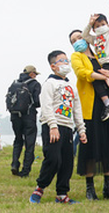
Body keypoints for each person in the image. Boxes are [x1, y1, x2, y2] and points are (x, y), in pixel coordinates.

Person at [70, 28, 109, 201]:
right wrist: (105, 78)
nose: (78, 40)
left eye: (80, 37)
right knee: (90, 147)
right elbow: (83, 74)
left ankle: (108, 187)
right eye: (74, 40)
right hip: (90, 106)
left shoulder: (101, 55)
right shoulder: (77, 57)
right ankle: (90, 188)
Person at [29, 50, 87, 204]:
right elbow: (46, 106)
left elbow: (77, 109)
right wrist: (52, 126)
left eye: (67, 60)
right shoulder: (49, 84)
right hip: (52, 126)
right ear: (53, 66)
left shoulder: (70, 85)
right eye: (62, 61)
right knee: (53, 159)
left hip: (68, 127)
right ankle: (40, 187)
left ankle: (62, 194)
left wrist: (81, 130)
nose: (66, 63)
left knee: (67, 162)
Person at [9, 65, 42, 178]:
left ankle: (14, 163)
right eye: (35, 74)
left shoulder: (15, 84)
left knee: (18, 140)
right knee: (29, 144)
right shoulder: (35, 84)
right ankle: (25, 171)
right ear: (31, 74)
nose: (36, 76)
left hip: (15, 116)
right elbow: (37, 101)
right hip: (29, 116)